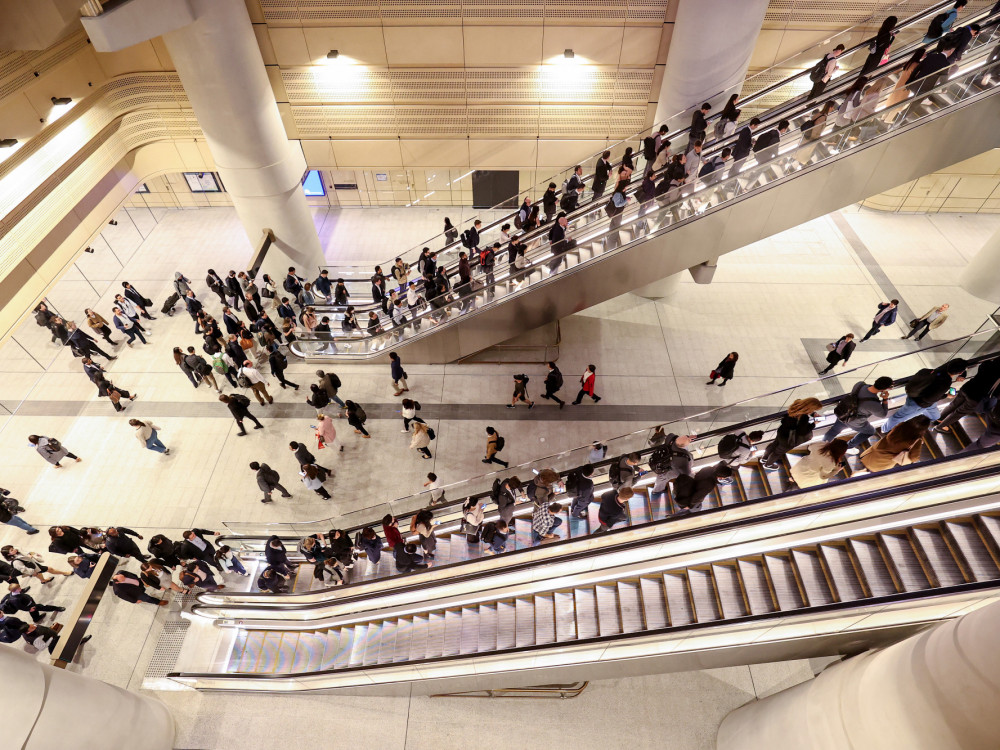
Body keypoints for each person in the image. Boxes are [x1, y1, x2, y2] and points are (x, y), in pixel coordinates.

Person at [884, 359, 968, 432]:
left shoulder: (938, 370)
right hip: (918, 403)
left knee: (936, 416)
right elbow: (929, 399)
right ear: (960, 372)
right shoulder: (945, 383)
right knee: (898, 417)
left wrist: (962, 375)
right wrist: (946, 396)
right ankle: (885, 430)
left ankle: (929, 424)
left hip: (921, 397)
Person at [823, 376, 894, 453]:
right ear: (884, 389)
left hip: (843, 413)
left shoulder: (860, 385)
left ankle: (823, 445)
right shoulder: (874, 404)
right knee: (870, 431)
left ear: (876, 380)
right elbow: (883, 414)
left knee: (834, 430)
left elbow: (867, 389)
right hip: (855, 422)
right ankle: (847, 447)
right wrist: (885, 399)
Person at [936, 358, 1000, 434]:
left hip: (967, 388)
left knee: (953, 404)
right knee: (959, 413)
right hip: (975, 397)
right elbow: (996, 393)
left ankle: (939, 418)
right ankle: (940, 427)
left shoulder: (987, 363)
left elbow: (981, 367)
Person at [760, 398, 822, 471]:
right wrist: (814, 423)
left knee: (774, 444)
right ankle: (768, 464)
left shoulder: (797, 403)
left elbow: (802, 410)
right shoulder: (804, 417)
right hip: (788, 439)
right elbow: (802, 432)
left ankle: (764, 458)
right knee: (777, 452)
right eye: (813, 409)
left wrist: (813, 414)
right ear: (810, 408)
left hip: (782, 431)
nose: (813, 411)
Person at [861, 416, 930, 472]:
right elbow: (914, 458)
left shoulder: (902, 425)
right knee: (873, 470)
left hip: (871, 454)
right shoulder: (916, 440)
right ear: (923, 429)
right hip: (882, 463)